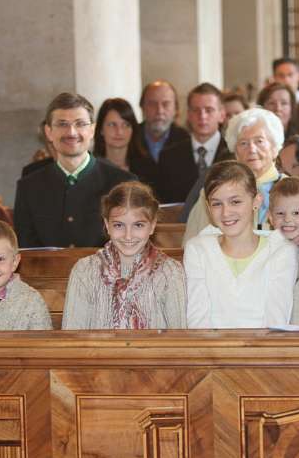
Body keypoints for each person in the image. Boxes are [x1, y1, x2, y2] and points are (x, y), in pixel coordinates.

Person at [14, 93, 136, 248]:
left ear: (92, 130)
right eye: (62, 124)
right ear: (49, 132)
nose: (71, 132)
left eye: (80, 124)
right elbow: (26, 250)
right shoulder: (28, 187)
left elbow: (131, 246)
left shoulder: (124, 184)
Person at [184, 161, 297, 328]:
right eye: (217, 204)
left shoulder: (281, 250)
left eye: (235, 202)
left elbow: (276, 320)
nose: (226, 212)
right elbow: (197, 318)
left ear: (256, 201)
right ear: (208, 207)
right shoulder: (198, 249)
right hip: (211, 344)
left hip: (263, 344)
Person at [63, 181, 186, 329]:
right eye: (119, 225)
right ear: (107, 225)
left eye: (138, 225)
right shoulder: (85, 271)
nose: (128, 236)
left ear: (152, 225)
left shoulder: (170, 272)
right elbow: (72, 334)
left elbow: (179, 335)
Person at [183, 108, 286, 243]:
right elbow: (192, 241)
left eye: (259, 141)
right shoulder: (214, 191)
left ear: (275, 148)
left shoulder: (292, 190)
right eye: (243, 143)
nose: (252, 149)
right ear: (235, 152)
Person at [156, 82, 231, 204]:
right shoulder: (168, 156)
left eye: (209, 110)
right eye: (196, 110)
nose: (202, 116)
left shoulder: (234, 152)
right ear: (189, 115)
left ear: (222, 115)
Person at [93, 98, 157, 184]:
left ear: (133, 129)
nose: (119, 131)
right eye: (112, 125)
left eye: (126, 125)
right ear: (101, 129)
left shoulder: (148, 168)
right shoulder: (90, 169)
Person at [138, 80, 190, 163]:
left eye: (166, 104)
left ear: (176, 109)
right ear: (142, 108)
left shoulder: (187, 140)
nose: (159, 111)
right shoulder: (129, 138)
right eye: (152, 104)